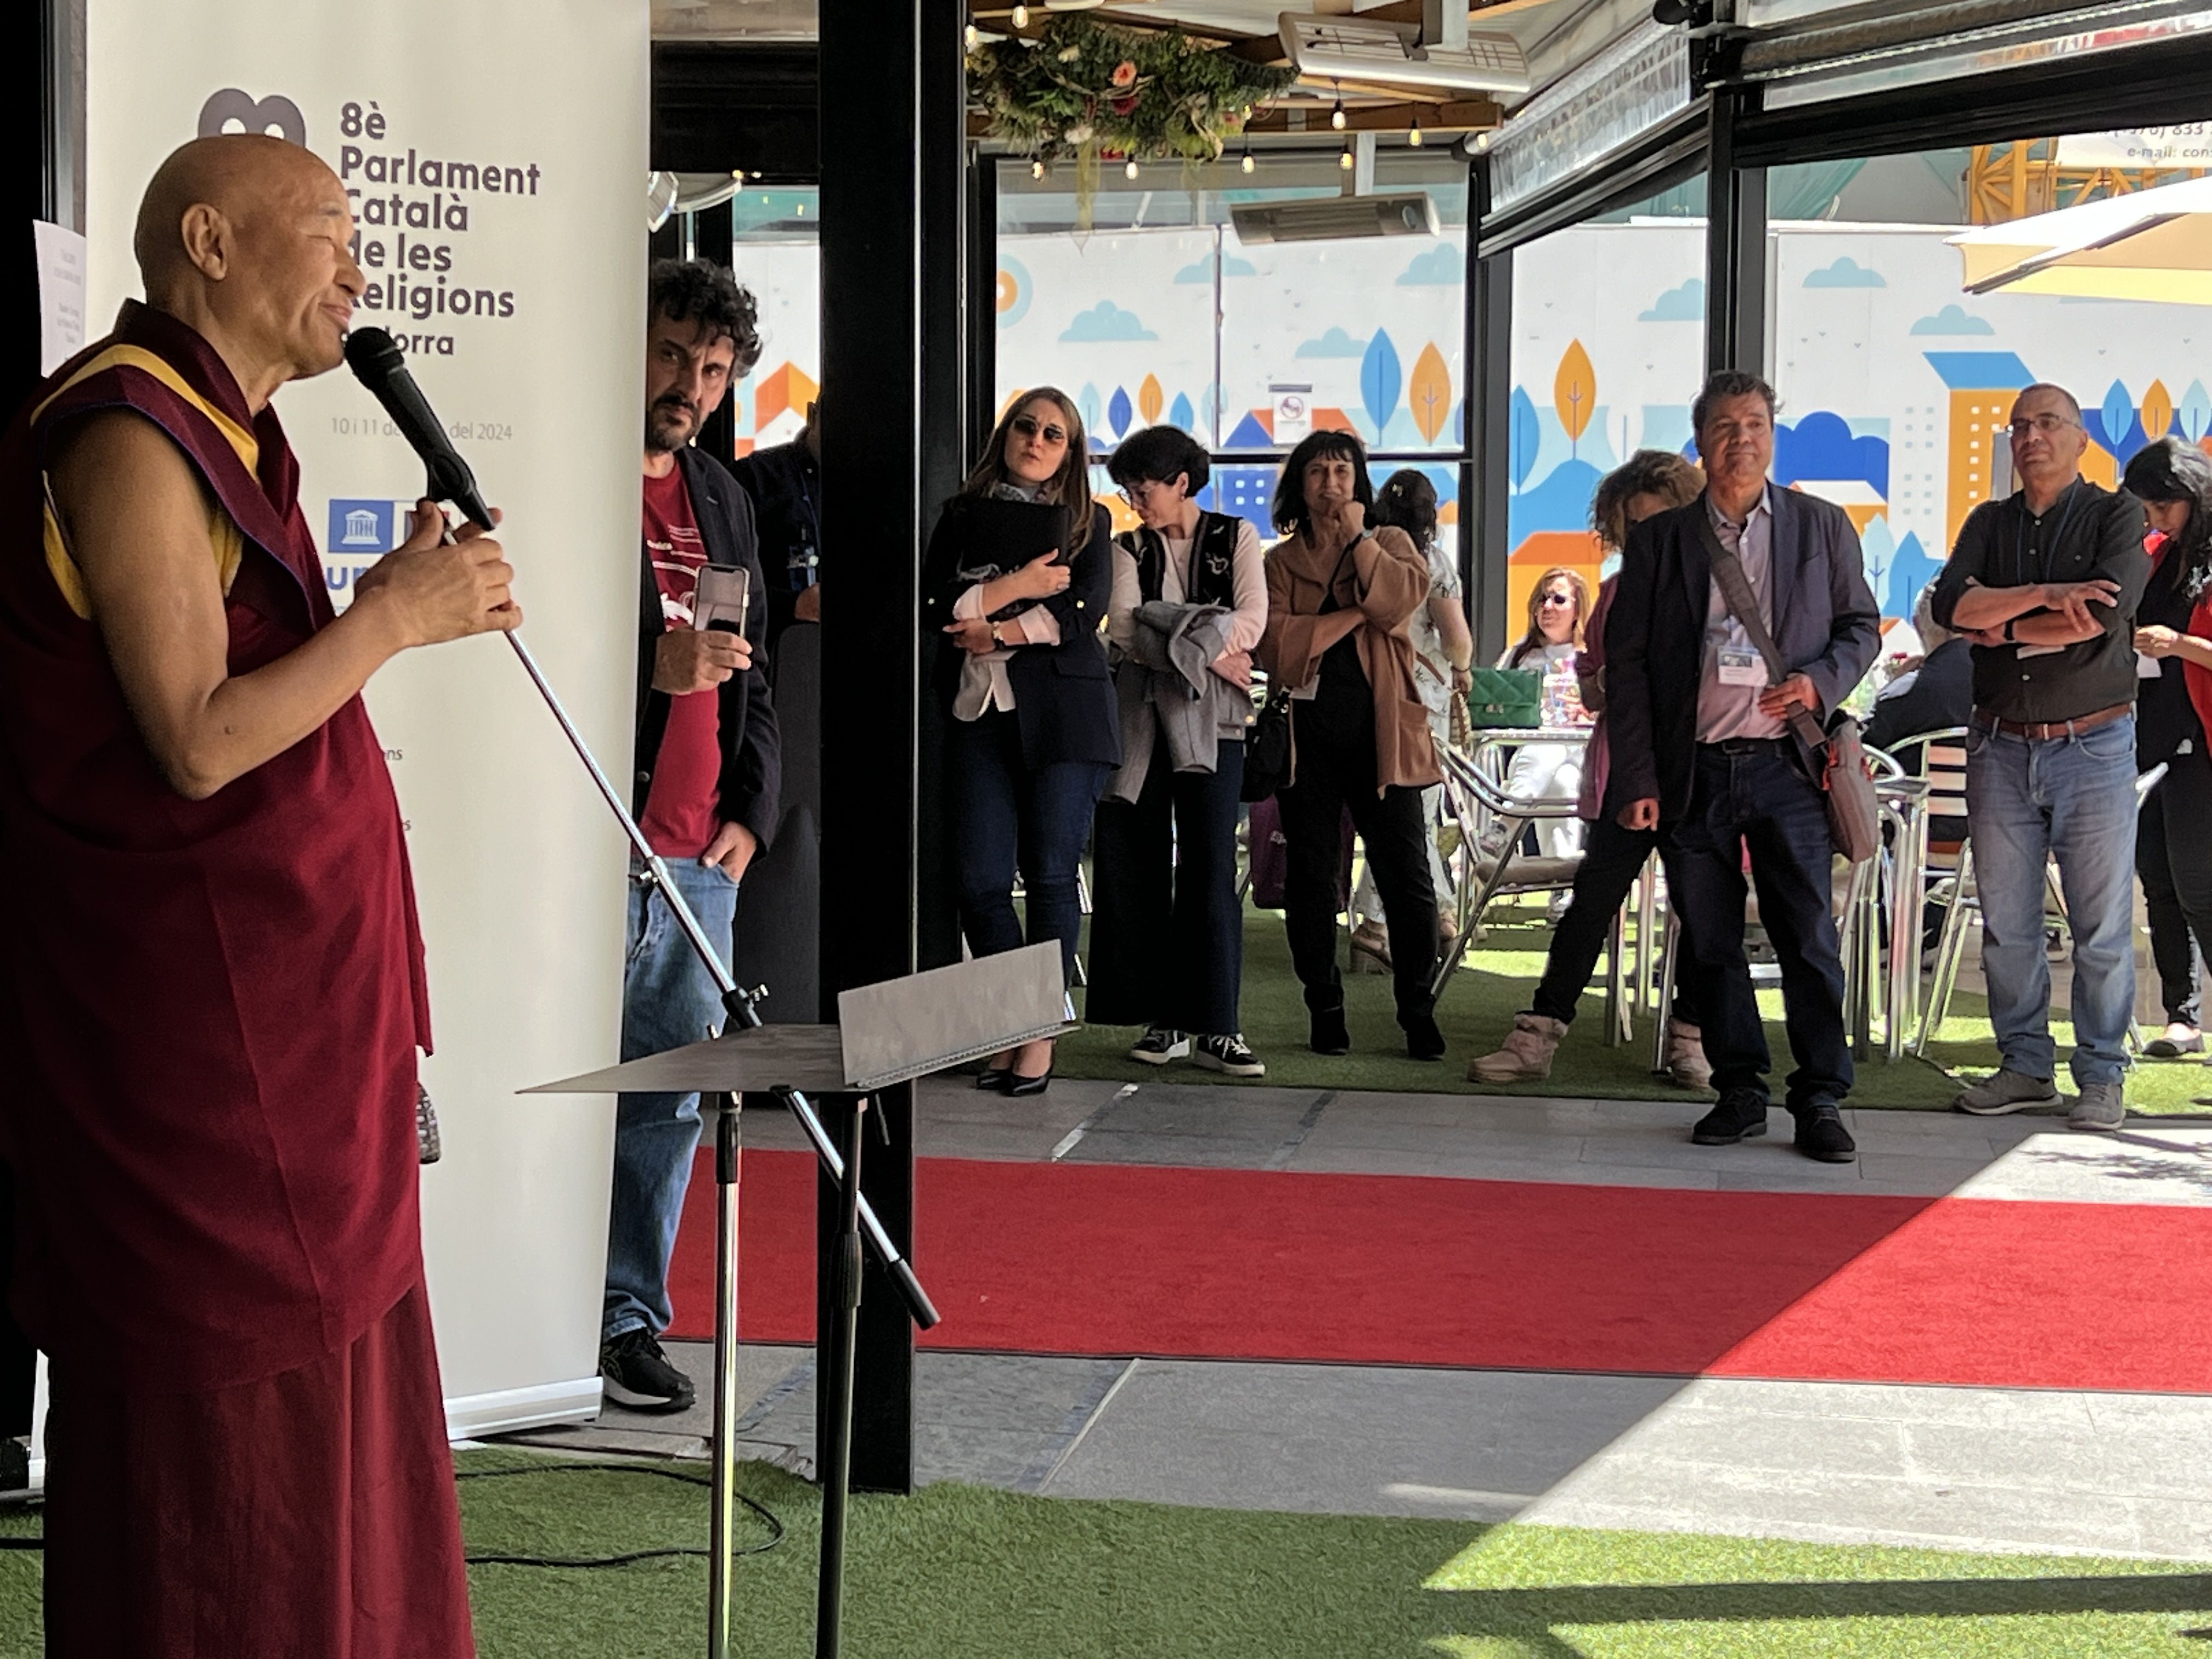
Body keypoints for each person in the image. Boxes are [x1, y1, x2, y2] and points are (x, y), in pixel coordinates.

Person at [0, 134, 511, 1655]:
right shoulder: (128, 436)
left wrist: (381, 614)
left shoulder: (229, 435)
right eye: (335, 230)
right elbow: (195, 742)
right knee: (219, 1473)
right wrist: (393, 622)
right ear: (210, 244)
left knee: (334, 1439)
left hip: (292, 1045)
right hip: (193, 1076)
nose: (362, 266)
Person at [1607, 371, 1881, 1164]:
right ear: (1701, 442)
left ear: (1773, 435)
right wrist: (1638, 779)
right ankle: (1739, 1090)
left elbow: (1861, 626)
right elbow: (1627, 667)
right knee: (1714, 939)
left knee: (1807, 936)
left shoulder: (1821, 527)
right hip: (1692, 770)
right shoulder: (1662, 540)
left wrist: (1819, 682)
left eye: (1756, 423)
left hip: (1788, 768)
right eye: (1725, 426)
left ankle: (1822, 1096)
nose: (1742, 439)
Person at [604, 259, 782, 1414]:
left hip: (696, 862)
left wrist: (751, 817)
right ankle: (515, 1319)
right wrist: (644, 673)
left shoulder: (723, 495)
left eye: (711, 369)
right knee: (552, 1089)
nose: (689, 384)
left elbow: (754, 671)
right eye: (672, 354)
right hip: (591, 844)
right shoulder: (572, 478)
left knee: (665, 1106)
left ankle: (626, 1321)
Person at [1931, 383, 2149, 1131]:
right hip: (1999, 742)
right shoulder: (1988, 522)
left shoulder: (2117, 513)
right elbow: (1951, 609)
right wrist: (2048, 594)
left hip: (2092, 742)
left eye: (2047, 423)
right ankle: (2025, 1065)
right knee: (2008, 921)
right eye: (2019, 426)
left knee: (2100, 924)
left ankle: (2101, 1074)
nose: (2031, 437)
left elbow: (2102, 619)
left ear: (2080, 438)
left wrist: (2007, 622)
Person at [1470, 450, 1712, 1087]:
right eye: (1634, 526)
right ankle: (1539, 1034)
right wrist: (1616, 681)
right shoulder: (1614, 594)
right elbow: (1594, 687)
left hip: (1696, 767)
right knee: (1592, 902)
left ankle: (1690, 1036)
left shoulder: (1714, 586)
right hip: (1627, 768)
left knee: (1700, 909)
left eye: (1658, 521)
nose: (1645, 536)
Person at [923, 388, 1120, 1095]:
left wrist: (995, 627)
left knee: (1047, 874)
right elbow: (934, 605)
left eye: (1055, 434)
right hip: (979, 711)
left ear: (1072, 452)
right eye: (1027, 428)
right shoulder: (960, 516)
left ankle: (1034, 1036)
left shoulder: (1092, 525)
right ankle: (1020, 1020)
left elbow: (1079, 614)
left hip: (1065, 716)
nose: (1037, 441)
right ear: (1006, 435)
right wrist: (1018, 586)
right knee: (978, 880)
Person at [1257, 429, 1445, 1060]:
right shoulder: (1278, 563)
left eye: (1342, 472)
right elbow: (1279, 647)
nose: (1330, 484)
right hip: (1305, 745)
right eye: (1317, 472)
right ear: (1299, 485)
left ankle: (1417, 1008)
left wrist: (1360, 540)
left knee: (1408, 879)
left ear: (1359, 483)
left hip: (1383, 738)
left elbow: (1396, 604)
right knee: (1312, 880)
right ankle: (1324, 1007)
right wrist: (1353, 616)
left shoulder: (1389, 542)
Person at [1087, 425, 1268, 1076]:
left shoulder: (1236, 535)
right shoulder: (1124, 546)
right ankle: (1165, 1019)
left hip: (1217, 726)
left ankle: (1219, 1023)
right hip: (1143, 722)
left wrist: (1183, 635)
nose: (1137, 501)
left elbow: (1254, 619)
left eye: (1145, 489)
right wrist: (1210, 651)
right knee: (1138, 860)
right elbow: (1128, 628)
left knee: (1211, 866)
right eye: (1130, 490)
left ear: (1181, 483)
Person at [1347, 470, 1470, 974]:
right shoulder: (1433, 563)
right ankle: (1382, 926)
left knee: (1390, 811)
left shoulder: (1365, 551)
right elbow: (1457, 639)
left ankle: (1426, 915)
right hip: (1423, 700)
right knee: (1414, 814)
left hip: (1367, 692)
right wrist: (1462, 669)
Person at [2124, 437, 2212, 1061]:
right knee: (2155, 877)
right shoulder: (2158, 555)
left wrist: (2177, 643)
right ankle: (2181, 1013)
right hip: (2145, 737)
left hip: (2200, 742)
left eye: (2162, 507)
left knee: (2197, 884)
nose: (2155, 521)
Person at [1491, 566, 1594, 865]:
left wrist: (1591, 710)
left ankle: (1506, 823)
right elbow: (1496, 701)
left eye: (1559, 600)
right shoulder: (1520, 655)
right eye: (1542, 599)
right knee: (1562, 783)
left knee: (1553, 755)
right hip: (1534, 753)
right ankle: (1561, 893)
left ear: (1578, 608)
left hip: (1581, 749)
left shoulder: (1591, 654)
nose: (1547, 606)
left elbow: (1612, 705)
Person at [730, 398, 821, 661]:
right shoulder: (753, 478)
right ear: (813, 414)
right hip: (771, 657)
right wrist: (793, 604)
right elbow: (722, 584)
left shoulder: (879, 489)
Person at [1864, 583, 1974, 755]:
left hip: (1915, 780)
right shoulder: (2000, 684)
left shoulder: (1904, 693)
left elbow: (1867, 750)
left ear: (1917, 624)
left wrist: (1894, 683)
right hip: (1986, 780)